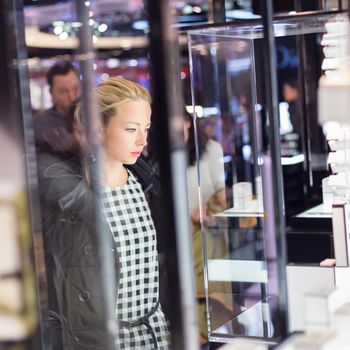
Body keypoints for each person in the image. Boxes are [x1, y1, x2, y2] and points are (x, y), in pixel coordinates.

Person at [37, 77, 168, 349]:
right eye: (131, 129)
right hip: (101, 340)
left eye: (146, 128)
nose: (142, 140)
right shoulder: (69, 198)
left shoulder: (147, 185)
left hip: (155, 333)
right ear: (98, 129)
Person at [184, 112, 233, 345]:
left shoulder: (211, 149)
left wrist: (213, 212)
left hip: (207, 235)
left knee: (213, 298)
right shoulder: (153, 154)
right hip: (176, 237)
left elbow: (220, 194)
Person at [33, 61, 81, 156]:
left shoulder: (94, 116)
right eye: (63, 91)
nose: (72, 97)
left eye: (75, 88)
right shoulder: (39, 123)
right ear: (51, 93)